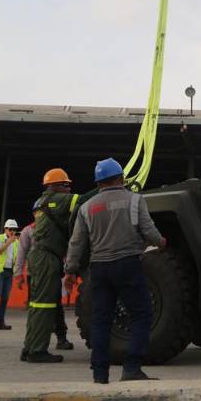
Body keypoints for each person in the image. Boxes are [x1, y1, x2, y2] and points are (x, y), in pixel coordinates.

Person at [64, 158, 166, 384]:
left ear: (98, 182)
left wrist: (70, 270)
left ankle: (100, 374)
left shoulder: (86, 207)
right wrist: (160, 242)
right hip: (127, 264)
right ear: (121, 177)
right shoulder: (134, 200)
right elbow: (148, 230)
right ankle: (131, 368)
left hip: (99, 268)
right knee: (142, 314)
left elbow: (76, 242)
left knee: (101, 321)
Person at [21, 168, 80, 363]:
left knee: (37, 305)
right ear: (54, 186)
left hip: (39, 255)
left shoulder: (41, 201)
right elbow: (81, 200)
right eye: (66, 185)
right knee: (45, 304)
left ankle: (29, 348)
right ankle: (38, 351)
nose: (69, 188)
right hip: (46, 257)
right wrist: (105, 187)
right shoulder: (57, 199)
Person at [14, 203, 74, 350]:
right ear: (34, 214)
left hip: (53, 273)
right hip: (34, 275)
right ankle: (33, 341)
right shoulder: (28, 231)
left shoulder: (56, 230)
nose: (40, 215)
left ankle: (61, 338)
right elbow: (21, 253)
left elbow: (65, 252)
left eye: (43, 213)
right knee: (36, 307)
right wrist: (18, 274)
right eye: (37, 213)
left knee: (56, 307)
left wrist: (68, 272)